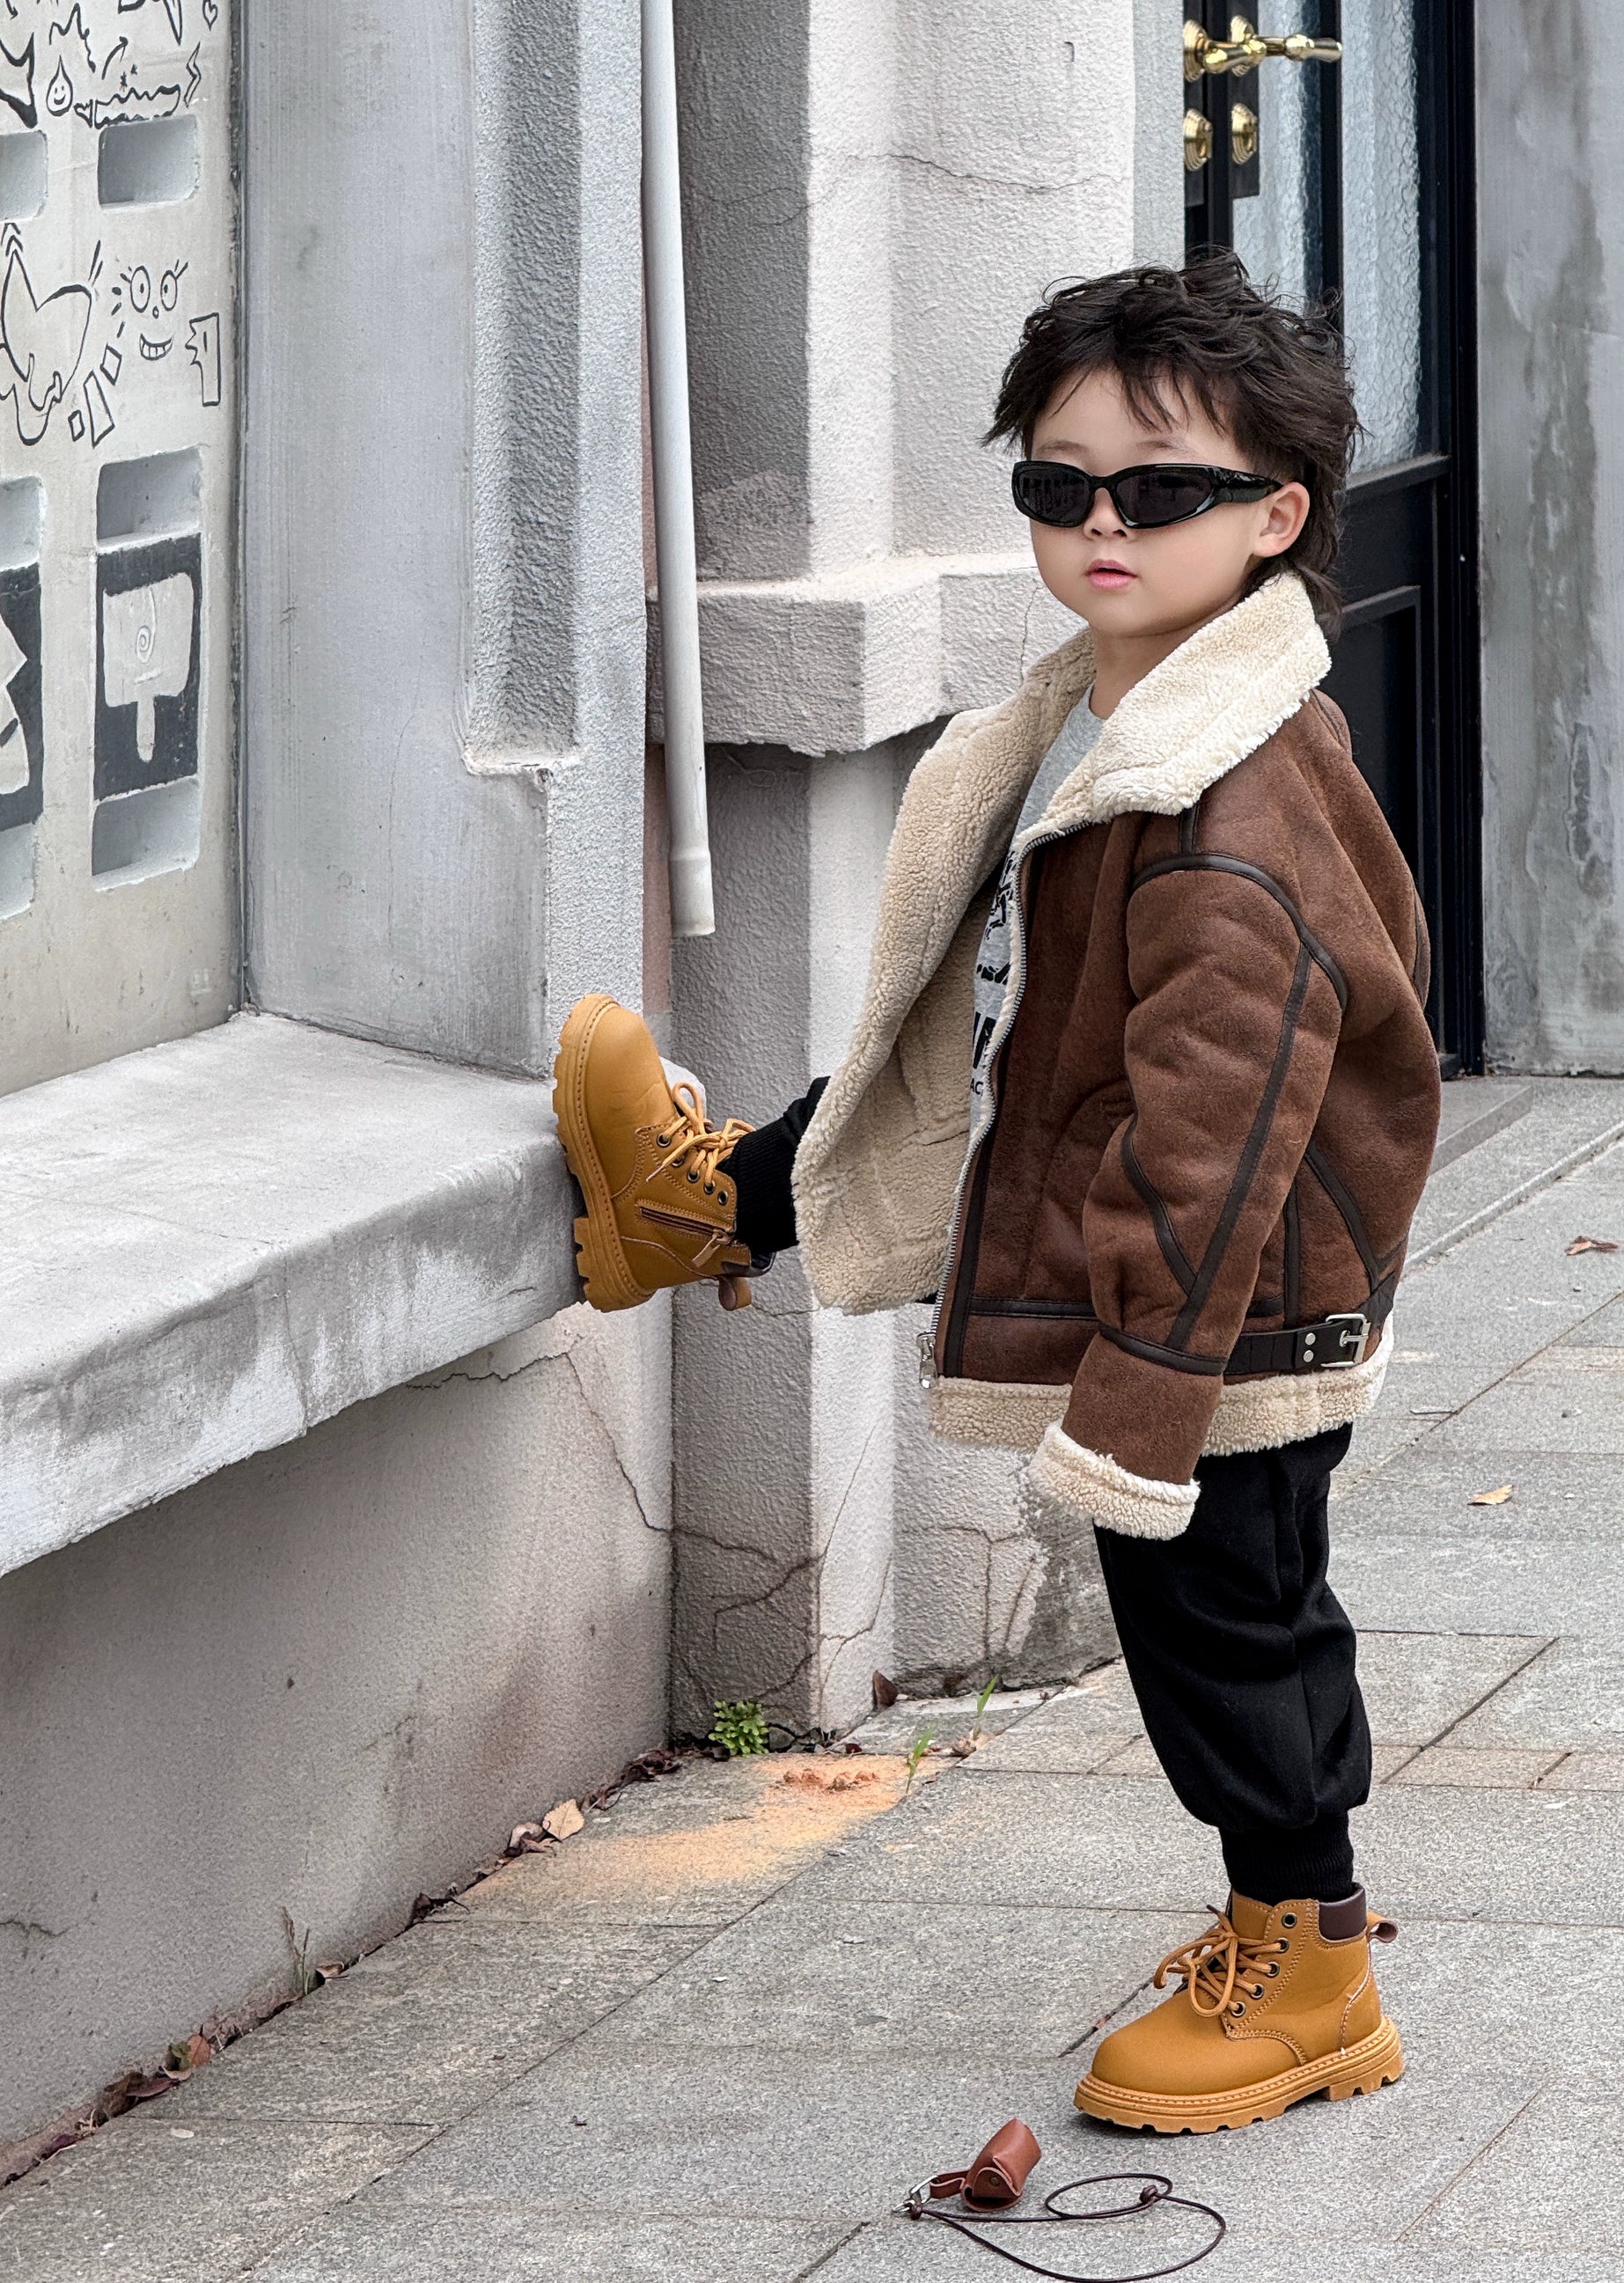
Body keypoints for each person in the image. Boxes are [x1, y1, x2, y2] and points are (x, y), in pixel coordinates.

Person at [552, 253, 1441, 2134]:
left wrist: (1137, 1412)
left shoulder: (1227, 806)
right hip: (1132, 1211)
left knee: (1232, 1617)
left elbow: (1214, 1150)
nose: (1102, 521)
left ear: (1274, 516)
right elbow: (985, 1047)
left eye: (1160, 489)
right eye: (1060, 483)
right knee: (971, 1107)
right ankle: (702, 1208)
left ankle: (1314, 1962)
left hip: (1225, 1311)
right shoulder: (1117, 715)